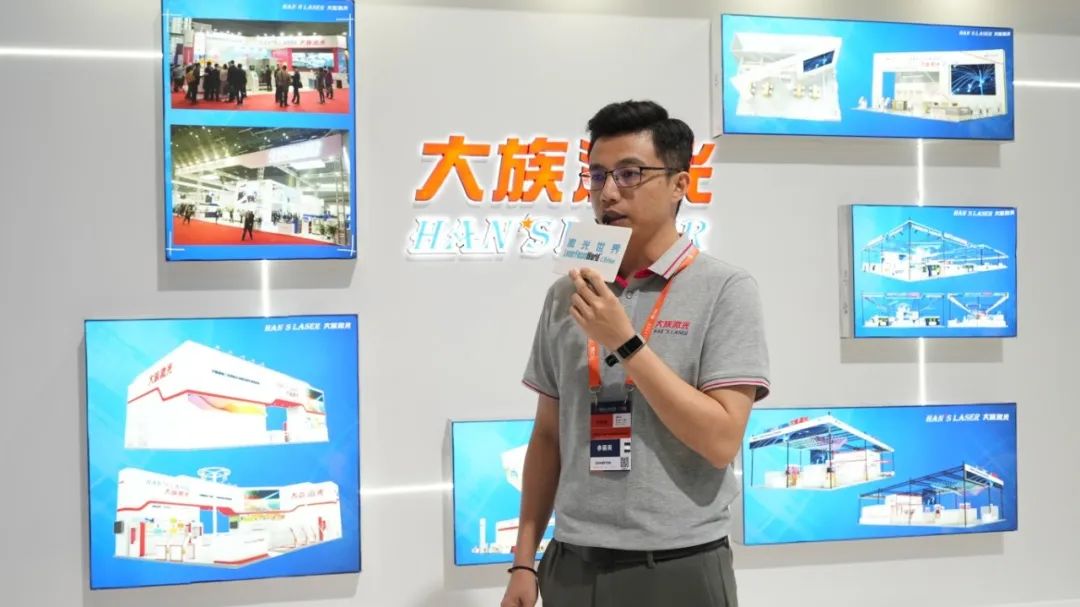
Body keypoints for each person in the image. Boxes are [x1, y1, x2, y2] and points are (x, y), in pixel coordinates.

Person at [502, 100, 770, 607]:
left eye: (630, 174)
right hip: (572, 565)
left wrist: (625, 342)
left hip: (677, 565)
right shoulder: (569, 292)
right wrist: (523, 561)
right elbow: (547, 435)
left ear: (679, 185)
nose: (608, 193)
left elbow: (720, 441)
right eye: (597, 175)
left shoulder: (725, 289)